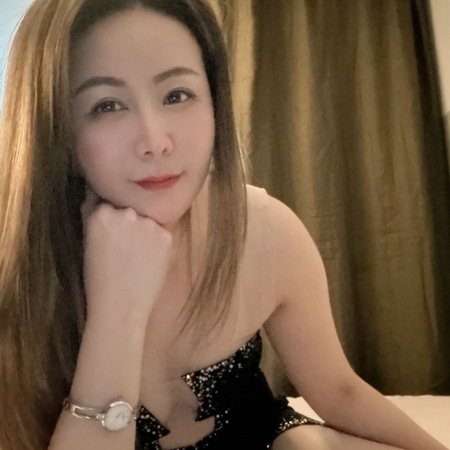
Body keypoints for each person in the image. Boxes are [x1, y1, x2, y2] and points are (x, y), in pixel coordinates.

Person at [0, 0, 447, 449]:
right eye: (108, 105)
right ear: (56, 130)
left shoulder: (263, 230)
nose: (155, 141)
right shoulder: (19, 277)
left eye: (177, 95)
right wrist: (118, 310)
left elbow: (339, 391)